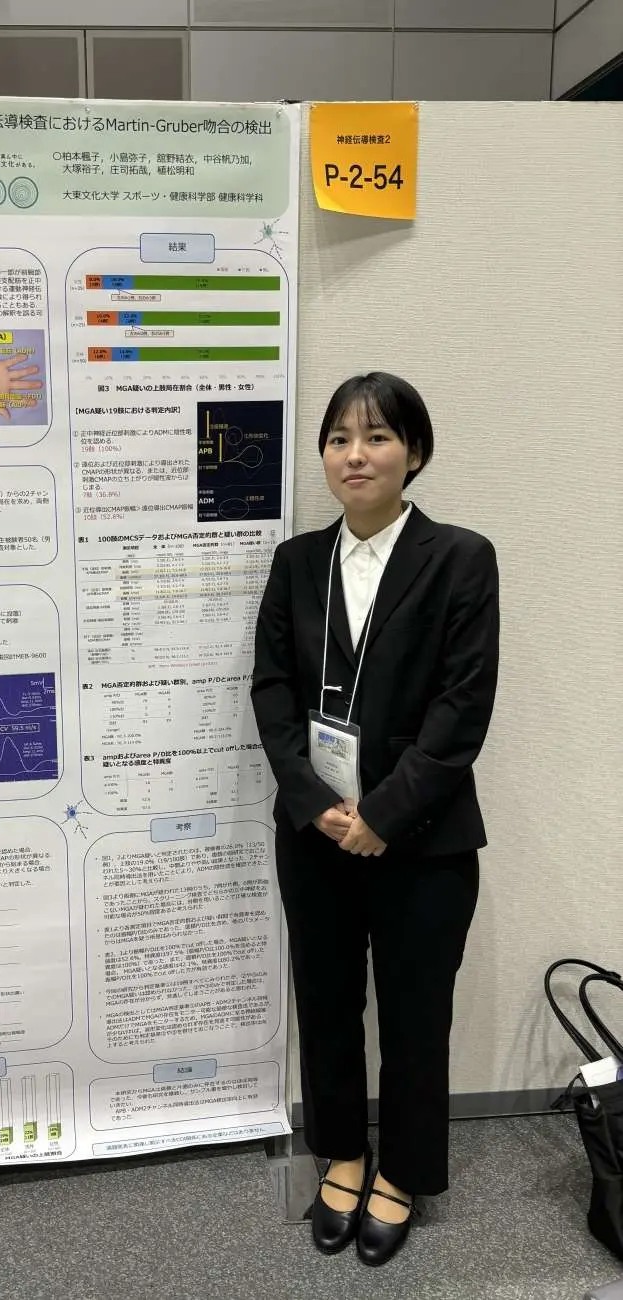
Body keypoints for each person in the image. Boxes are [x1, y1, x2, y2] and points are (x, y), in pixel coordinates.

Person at [251, 372, 499, 1267]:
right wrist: (320, 807)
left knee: (414, 1015)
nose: (354, 456)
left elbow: (462, 708)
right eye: (338, 440)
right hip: (315, 835)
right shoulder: (296, 563)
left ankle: (402, 1170)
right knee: (325, 1003)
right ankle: (343, 1155)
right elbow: (272, 692)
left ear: (413, 453)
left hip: (423, 839)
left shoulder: (459, 557)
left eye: (377, 437)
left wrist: (383, 814)